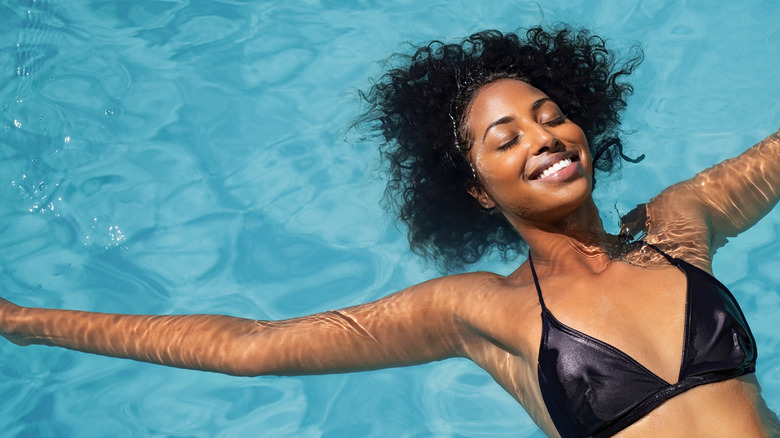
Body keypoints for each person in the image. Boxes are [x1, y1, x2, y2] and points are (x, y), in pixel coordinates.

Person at [1, 26, 779, 437]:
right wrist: (24, 323)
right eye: (504, 139)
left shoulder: (677, 231)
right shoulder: (484, 312)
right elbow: (250, 348)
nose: (543, 138)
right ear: (476, 191)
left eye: (550, 117)